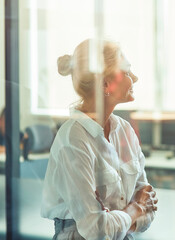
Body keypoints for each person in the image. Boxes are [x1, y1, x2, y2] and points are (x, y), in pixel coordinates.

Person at [41, 39, 158, 240]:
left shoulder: (125, 131)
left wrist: (124, 216)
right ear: (106, 84)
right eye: (128, 72)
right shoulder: (73, 141)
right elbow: (95, 229)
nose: (135, 78)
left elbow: (149, 209)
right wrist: (133, 210)